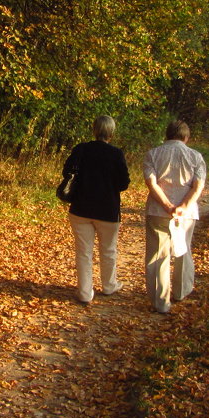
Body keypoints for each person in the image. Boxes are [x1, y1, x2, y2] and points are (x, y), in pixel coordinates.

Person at [61, 115, 131, 304]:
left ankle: (85, 293)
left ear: (94, 129)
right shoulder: (116, 154)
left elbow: (66, 172)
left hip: (81, 208)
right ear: (112, 132)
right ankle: (109, 285)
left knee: (84, 252)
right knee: (108, 250)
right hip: (107, 210)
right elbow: (124, 183)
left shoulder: (81, 149)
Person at [142, 120, 206, 314]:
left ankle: (160, 302)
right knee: (183, 250)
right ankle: (180, 292)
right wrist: (183, 206)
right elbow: (198, 185)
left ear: (167, 135)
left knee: (157, 255)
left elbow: (151, 183)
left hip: (158, 211)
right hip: (186, 214)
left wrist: (168, 206)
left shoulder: (153, 154)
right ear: (186, 138)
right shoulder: (195, 156)